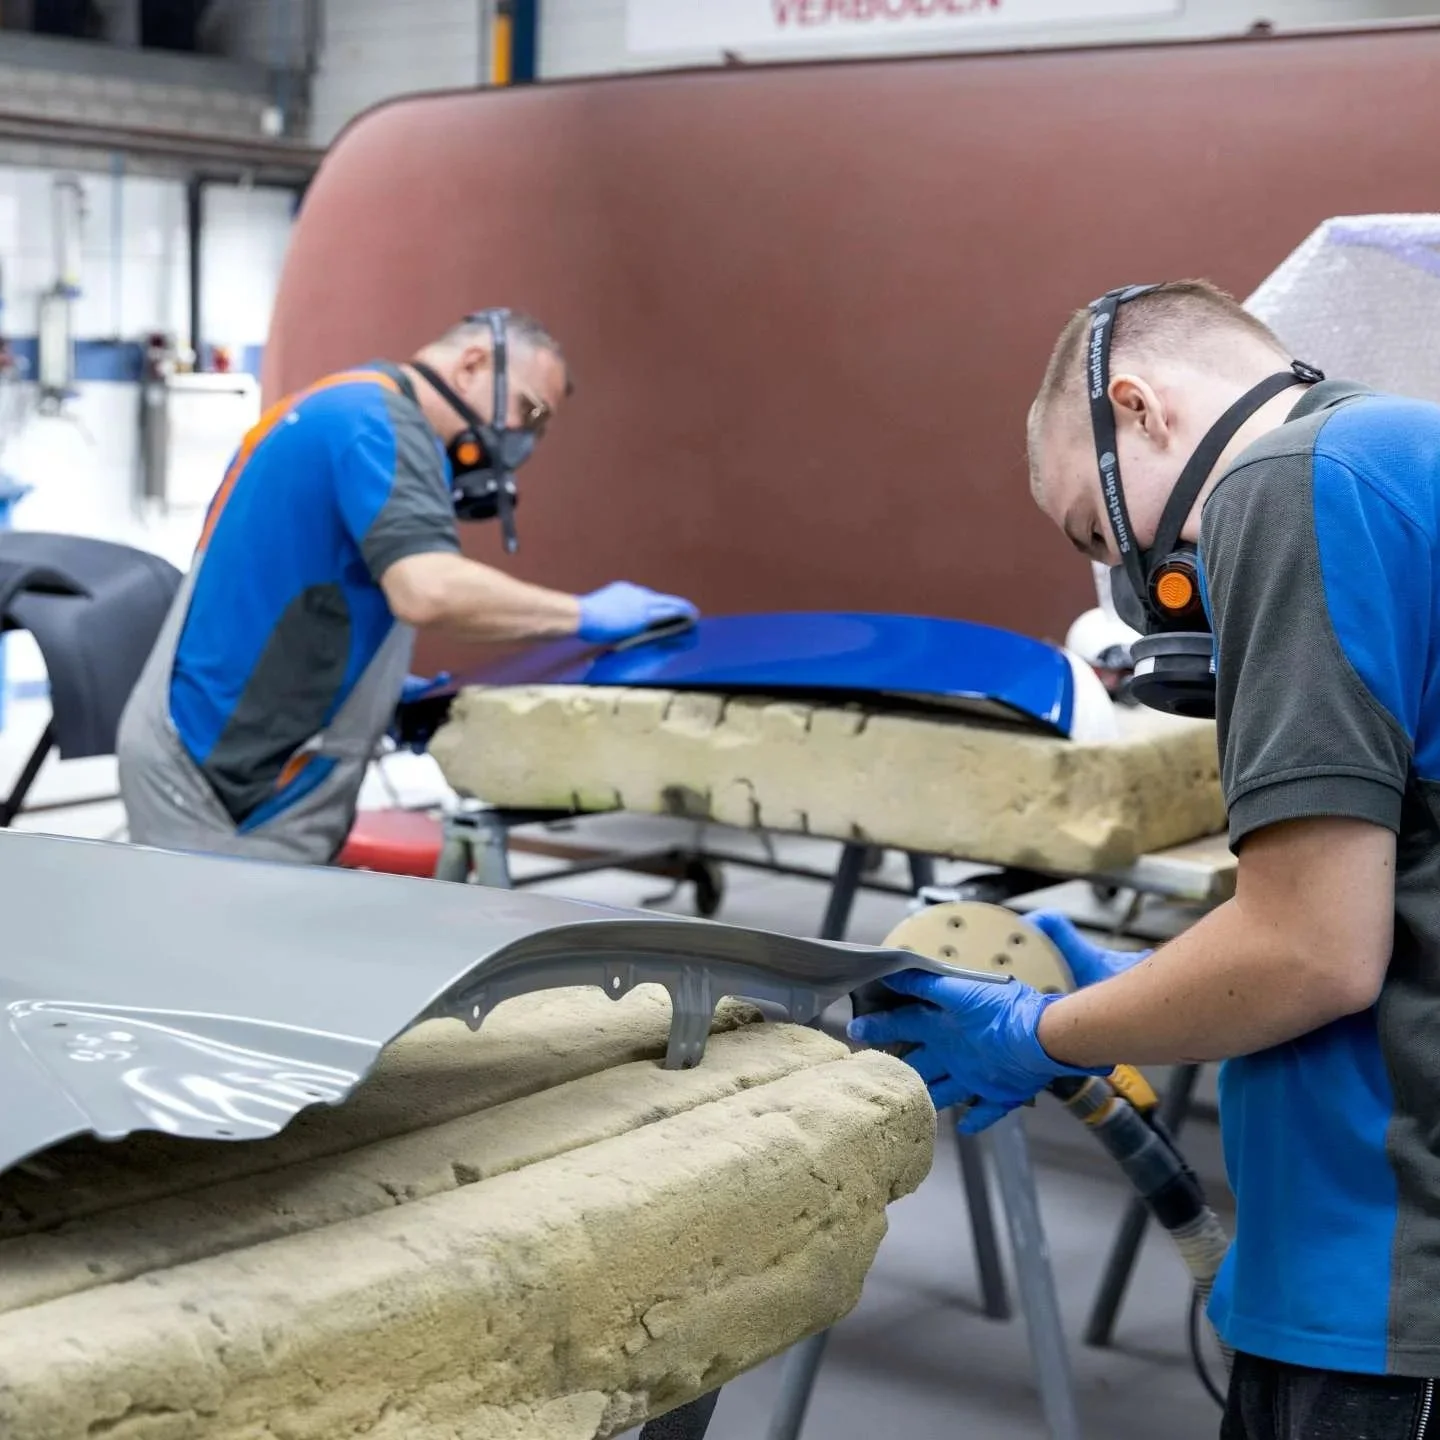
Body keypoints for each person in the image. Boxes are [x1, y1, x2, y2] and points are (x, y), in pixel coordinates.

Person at [849, 280, 1440, 1438]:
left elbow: (1312, 953)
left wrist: (1039, 1034)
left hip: (1390, 1269)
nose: (1136, 587)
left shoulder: (1293, 482)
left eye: (1098, 533)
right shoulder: (1399, 459)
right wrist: (1152, 984)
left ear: (1139, 407)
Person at [118, 310, 696, 866]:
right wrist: (583, 614)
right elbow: (427, 590)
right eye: (528, 409)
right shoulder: (382, 427)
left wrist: (373, 690)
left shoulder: (338, 405)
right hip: (220, 782)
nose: (524, 438)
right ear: (472, 366)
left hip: (205, 740)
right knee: (234, 931)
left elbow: (291, 580)